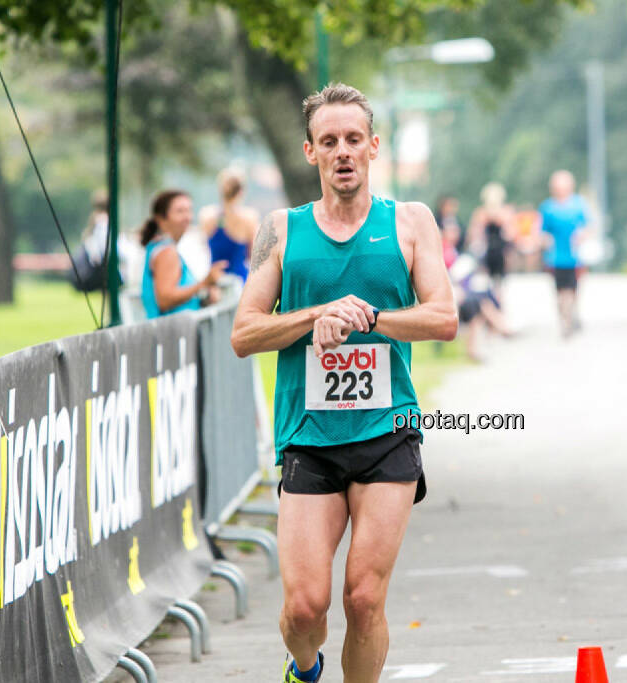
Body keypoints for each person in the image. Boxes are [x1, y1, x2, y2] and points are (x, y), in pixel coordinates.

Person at [229, 83, 457, 683]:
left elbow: (444, 318)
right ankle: (304, 669)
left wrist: (371, 317)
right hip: (309, 436)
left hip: (390, 430)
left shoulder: (410, 222)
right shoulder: (280, 230)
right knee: (305, 608)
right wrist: (315, 314)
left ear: (374, 146)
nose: (343, 152)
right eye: (329, 141)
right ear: (310, 152)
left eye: (354, 139)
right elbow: (244, 333)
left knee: (363, 599)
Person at [139, 189, 226, 319]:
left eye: (189, 210)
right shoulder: (166, 251)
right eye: (180, 211)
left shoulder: (160, 248)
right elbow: (164, 300)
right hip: (170, 334)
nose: (187, 217)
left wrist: (205, 298)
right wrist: (204, 283)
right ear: (161, 219)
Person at [538, 170, 589, 337]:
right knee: (560, 292)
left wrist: (582, 235)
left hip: (575, 256)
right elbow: (542, 230)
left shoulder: (578, 204)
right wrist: (545, 240)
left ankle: (571, 314)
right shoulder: (548, 207)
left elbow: (588, 226)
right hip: (555, 257)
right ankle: (565, 321)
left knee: (573, 290)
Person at [200, 167, 261, 281]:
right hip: (240, 282)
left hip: (215, 282)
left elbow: (206, 249)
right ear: (241, 191)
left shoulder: (207, 216)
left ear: (221, 189)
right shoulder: (249, 218)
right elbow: (253, 256)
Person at [468, 182, 514, 300]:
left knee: (500, 283)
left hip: (500, 252)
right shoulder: (481, 213)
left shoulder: (505, 213)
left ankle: (497, 303)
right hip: (487, 252)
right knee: (486, 283)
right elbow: (475, 234)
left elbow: (510, 234)